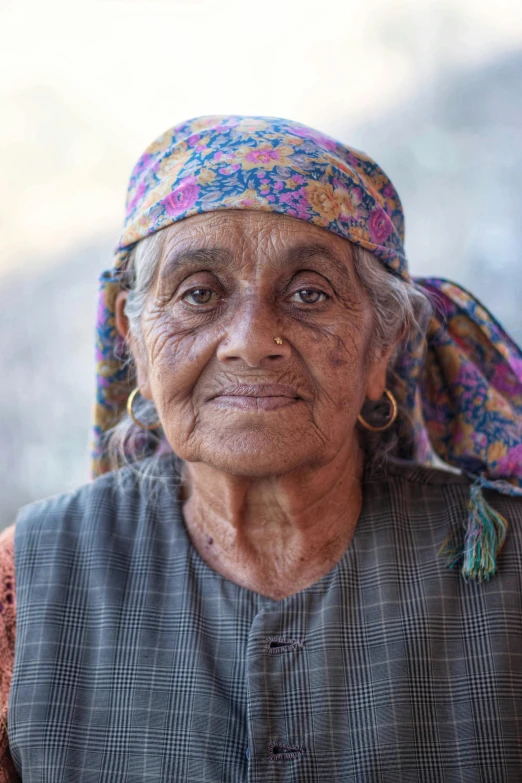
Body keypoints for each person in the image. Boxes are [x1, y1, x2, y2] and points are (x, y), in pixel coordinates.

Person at [1, 115, 521, 782]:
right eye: (198, 293)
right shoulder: (29, 580)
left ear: (382, 348)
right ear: (134, 338)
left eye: (308, 293)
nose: (250, 339)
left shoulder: (507, 564)